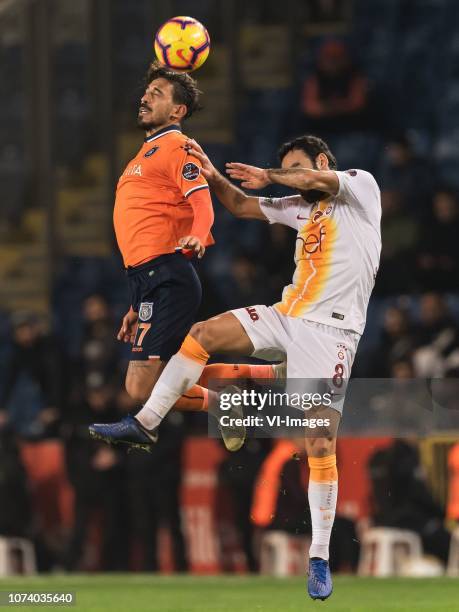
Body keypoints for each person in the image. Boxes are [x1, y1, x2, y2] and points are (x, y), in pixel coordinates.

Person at [91, 134, 382, 599]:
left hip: (333, 334)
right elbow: (244, 206)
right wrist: (209, 173)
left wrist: (271, 176)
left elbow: (301, 180)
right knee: (202, 335)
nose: (290, 175)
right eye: (283, 167)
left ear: (322, 162)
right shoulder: (302, 206)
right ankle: (145, 424)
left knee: (319, 441)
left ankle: (320, 556)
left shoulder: (359, 188)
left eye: (296, 166)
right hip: (287, 317)